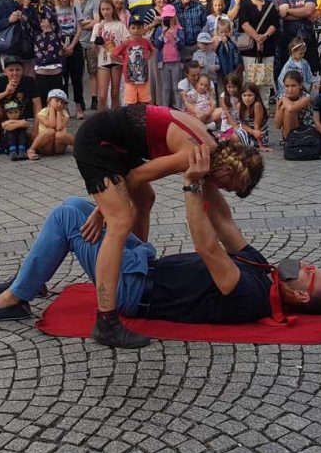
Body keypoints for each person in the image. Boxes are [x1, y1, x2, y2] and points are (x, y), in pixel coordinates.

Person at [0, 150, 321, 335]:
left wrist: (192, 186)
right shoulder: (265, 269)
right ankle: (30, 280)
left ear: (302, 297)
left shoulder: (254, 296)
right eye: (312, 267)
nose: (307, 267)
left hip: (133, 290)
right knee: (77, 206)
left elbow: (209, 248)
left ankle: (14, 300)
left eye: (310, 275)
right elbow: (223, 220)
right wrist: (210, 169)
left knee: (66, 218)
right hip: (143, 263)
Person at [43, 106, 264, 348]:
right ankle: (106, 321)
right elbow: (135, 177)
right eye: (228, 187)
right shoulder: (198, 153)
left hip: (119, 142)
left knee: (145, 199)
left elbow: (217, 212)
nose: (223, 191)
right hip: (98, 140)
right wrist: (103, 210)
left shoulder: (209, 150)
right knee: (120, 221)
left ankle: (129, 259)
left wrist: (105, 206)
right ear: (226, 170)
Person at [0, 56, 42, 157]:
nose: (15, 73)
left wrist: (36, 130)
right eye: (11, 70)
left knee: (33, 141)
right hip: (6, 120)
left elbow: (38, 106)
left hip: (25, 120)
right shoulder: (0, 81)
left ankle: (17, 143)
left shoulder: (29, 81)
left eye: (18, 69)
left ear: (22, 70)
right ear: (5, 72)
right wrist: (5, 93)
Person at [238, 0, 279, 103]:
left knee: (265, 81)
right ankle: (251, 107)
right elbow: (244, 24)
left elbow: (274, 24)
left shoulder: (270, 5)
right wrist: (257, 38)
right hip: (251, 49)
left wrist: (264, 37)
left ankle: (264, 107)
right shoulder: (245, 5)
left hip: (267, 48)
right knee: (252, 81)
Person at [277, 0, 319, 80]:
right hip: (289, 36)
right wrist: (303, 14)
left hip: (307, 36)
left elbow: (309, 10)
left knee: (308, 66)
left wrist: (290, 10)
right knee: (288, 68)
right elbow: (282, 14)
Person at [53, 0, 85, 117]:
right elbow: (53, 30)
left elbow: (79, 28)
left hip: (74, 42)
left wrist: (72, 45)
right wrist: (62, 46)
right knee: (63, 78)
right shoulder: (54, 11)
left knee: (77, 78)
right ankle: (64, 107)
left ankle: (79, 106)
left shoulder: (76, 9)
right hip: (60, 43)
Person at [92, 0, 128, 110]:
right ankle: (100, 120)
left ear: (112, 10)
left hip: (116, 60)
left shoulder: (119, 25)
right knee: (102, 95)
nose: (105, 12)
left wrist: (117, 49)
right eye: (103, 9)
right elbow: (94, 50)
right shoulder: (97, 26)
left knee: (115, 92)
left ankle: (114, 120)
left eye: (108, 9)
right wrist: (98, 36)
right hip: (103, 61)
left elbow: (127, 41)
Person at [72, 0, 98, 113]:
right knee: (79, 73)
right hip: (77, 42)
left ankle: (94, 98)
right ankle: (80, 100)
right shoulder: (72, 3)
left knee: (93, 71)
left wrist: (82, 24)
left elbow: (96, 21)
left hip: (90, 41)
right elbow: (73, 24)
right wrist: (85, 23)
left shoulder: (92, 2)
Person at [112, 18, 153, 105]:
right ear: (129, 29)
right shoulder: (126, 43)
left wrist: (147, 59)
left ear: (143, 29)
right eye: (133, 28)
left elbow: (153, 50)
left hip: (143, 79)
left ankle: (142, 118)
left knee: (144, 102)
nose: (136, 31)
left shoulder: (146, 42)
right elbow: (113, 55)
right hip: (130, 80)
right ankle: (132, 118)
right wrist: (123, 62)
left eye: (139, 28)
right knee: (131, 103)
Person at [153, 4, 185, 109]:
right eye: (166, 18)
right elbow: (156, 45)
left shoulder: (179, 29)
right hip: (164, 63)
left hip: (176, 61)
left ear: (175, 17)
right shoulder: (159, 30)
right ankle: (165, 109)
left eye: (170, 18)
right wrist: (162, 35)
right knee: (165, 87)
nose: (168, 20)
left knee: (177, 87)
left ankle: (179, 107)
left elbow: (182, 45)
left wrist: (175, 37)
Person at [274, 70, 317, 142]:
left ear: (300, 86)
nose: (290, 89)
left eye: (293, 86)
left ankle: (293, 141)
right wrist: (280, 108)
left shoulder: (306, 97)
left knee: (289, 110)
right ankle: (290, 141)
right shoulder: (280, 98)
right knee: (287, 110)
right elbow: (277, 125)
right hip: (288, 133)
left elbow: (291, 108)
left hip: (306, 132)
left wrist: (285, 99)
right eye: (287, 86)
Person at [30, 89, 75, 158]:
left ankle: (79, 146)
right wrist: (51, 110)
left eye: (62, 102)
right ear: (49, 101)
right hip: (45, 147)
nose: (59, 104)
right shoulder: (42, 113)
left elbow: (59, 128)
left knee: (59, 134)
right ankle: (31, 149)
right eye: (57, 101)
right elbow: (52, 125)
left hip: (59, 147)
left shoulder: (65, 115)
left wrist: (58, 113)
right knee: (50, 131)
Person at [237, 82, 269, 150]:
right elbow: (243, 124)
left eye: (250, 95)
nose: (247, 98)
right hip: (249, 131)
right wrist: (252, 131)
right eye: (244, 95)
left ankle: (247, 146)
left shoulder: (257, 105)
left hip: (259, 135)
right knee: (233, 137)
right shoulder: (240, 105)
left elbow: (257, 127)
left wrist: (261, 146)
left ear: (255, 95)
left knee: (236, 138)